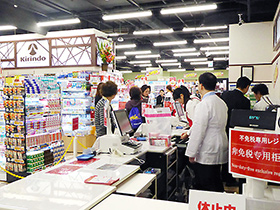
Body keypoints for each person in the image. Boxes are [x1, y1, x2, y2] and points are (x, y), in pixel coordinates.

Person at [185, 72, 228, 192]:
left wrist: (191, 153)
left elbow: (199, 130)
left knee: (206, 184)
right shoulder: (221, 102)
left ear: (201, 86)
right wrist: (188, 133)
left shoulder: (204, 104)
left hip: (208, 149)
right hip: (220, 144)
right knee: (216, 181)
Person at [220, 76, 251, 187]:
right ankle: (232, 178)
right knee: (234, 154)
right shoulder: (245, 101)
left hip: (223, 127)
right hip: (237, 131)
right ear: (247, 87)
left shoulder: (225, 95)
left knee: (225, 153)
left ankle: (224, 176)